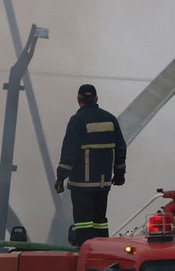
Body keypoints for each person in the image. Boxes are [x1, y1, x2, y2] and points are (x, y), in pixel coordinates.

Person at [54, 84, 126, 246]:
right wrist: (119, 174)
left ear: (79, 100)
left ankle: (87, 251)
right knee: (100, 220)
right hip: (103, 183)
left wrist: (60, 177)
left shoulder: (77, 121)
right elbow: (121, 147)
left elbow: (69, 151)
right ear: (96, 99)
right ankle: (102, 249)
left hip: (81, 184)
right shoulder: (110, 119)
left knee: (83, 222)